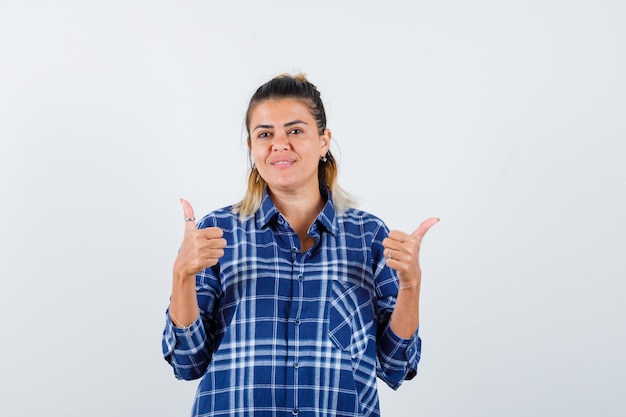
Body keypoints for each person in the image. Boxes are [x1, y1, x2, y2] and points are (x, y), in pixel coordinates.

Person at [162, 73, 439, 417]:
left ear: (324, 141)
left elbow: (396, 364)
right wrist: (182, 276)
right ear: (251, 147)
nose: (279, 144)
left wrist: (411, 285)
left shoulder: (368, 236)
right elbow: (187, 362)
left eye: (295, 131)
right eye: (265, 134)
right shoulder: (217, 233)